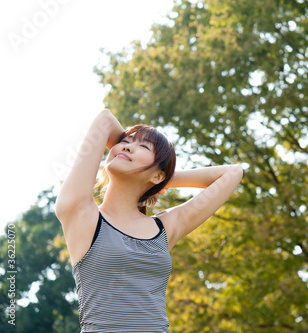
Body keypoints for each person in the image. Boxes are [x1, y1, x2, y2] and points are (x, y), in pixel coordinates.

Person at [55, 109, 243, 333]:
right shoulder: (81, 213)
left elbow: (233, 173)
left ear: (157, 176)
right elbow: (105, 120)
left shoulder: (164, 228)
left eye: (143, 146)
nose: (127, 146)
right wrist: (135, 158)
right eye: (124, 141)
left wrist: (163, 177)